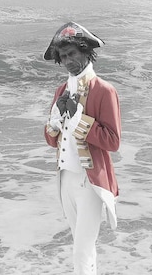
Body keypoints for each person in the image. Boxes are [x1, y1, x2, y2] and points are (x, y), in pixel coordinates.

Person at [43, 22, 121, 275]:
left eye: (72, 54)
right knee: (81, 246)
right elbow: (52, 139)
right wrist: (55, 120)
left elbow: (113, 141)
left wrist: (78, 119)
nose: (67, 61)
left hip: (89, 182)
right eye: (63, 57)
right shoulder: (61, 90)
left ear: (86, 51)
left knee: (82, 250)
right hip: (65, 178)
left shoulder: (104, 90)